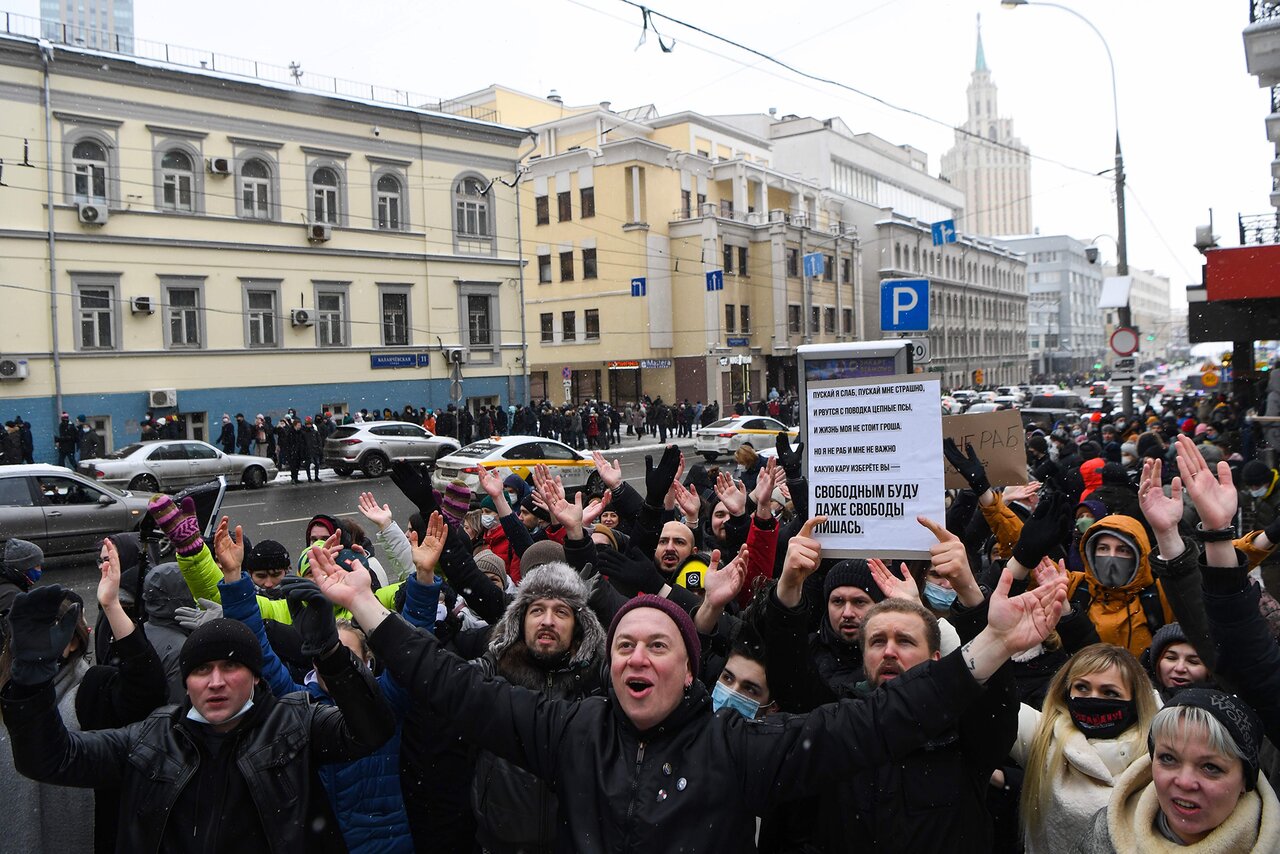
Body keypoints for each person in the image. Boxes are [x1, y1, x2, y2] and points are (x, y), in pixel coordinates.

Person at [306, 511, 1070, 852]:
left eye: (657, 646)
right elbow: (453, 686)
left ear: (688, 666)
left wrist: (991, 644)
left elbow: (881, 722)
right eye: (625, 646)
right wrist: (369, 608)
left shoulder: (741, 748)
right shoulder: (569, 732)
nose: (637, 657)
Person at [1, 582, 397, 852]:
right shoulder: (150, 739)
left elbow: (372, 730)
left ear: (257, 677)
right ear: (186, 681)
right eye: (202, 670)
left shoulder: (295, 724)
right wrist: (31, 682)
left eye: (231, 667)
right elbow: (50, 759)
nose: (216, 682)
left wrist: (331, 656)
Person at [0, 540, 168, 854]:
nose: (43, 641)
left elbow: (147, 690)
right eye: (33, 633)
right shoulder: (11, 692)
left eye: (54, 630)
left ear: (75, 641)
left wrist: (111, 606)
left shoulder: (90, 687)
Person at [470, 560, 608, 854]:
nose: (547, 620)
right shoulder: (492, 674)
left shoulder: (599, 681)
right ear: (519, 621)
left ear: (578, 625)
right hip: (500, 842)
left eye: (560, 611)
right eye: (537, 610)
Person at [1076, 689, 1279, 852]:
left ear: (1245, 780)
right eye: (1168, 758)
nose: (1184, 781)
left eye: (1210, 767)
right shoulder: (1104, 830)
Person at [1013, 642, 1160, 853]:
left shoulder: (1159, 752)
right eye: (1082, 687)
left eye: (1110, 693)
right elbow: (985, 701)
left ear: (1135, 700)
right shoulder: (1043, 735)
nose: (1093, 698)